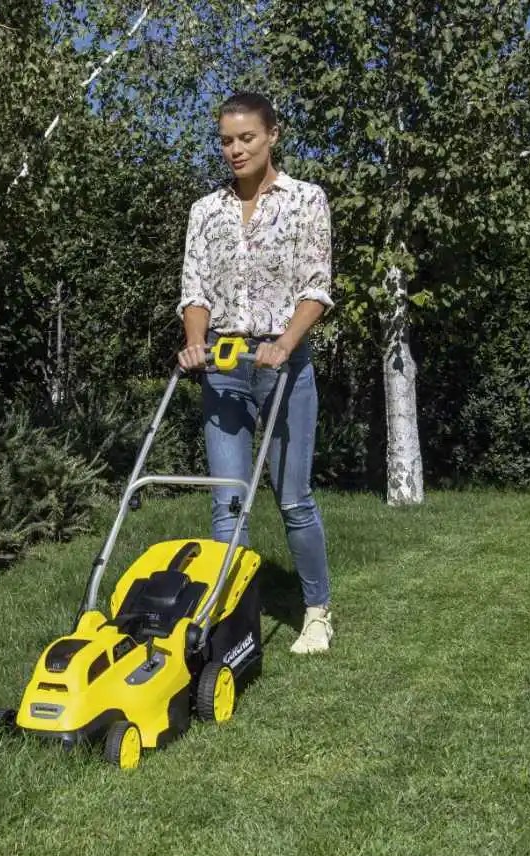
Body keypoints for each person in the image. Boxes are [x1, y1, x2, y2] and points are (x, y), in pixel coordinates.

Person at [177, 91, 334, 654]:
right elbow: (195, 289)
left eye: (246, 138)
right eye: (226, 141)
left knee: (293, 498)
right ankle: (234, 623)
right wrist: (195, 344)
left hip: (283, 364)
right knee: (228, 501)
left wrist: (285, 343)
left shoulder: (306, 200)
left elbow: (316, 285)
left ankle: (316, 611)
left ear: (272, 136)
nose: (235, 150)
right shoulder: (205, 211)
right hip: (224, 366)